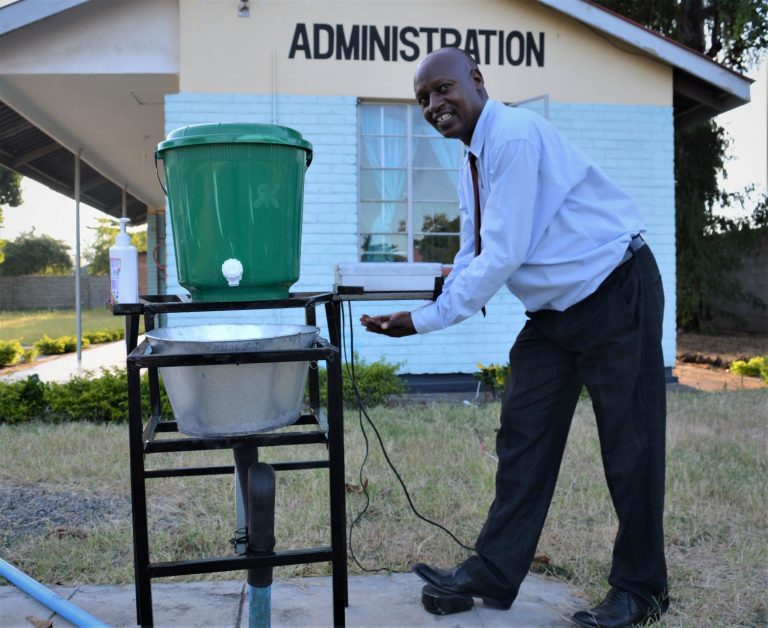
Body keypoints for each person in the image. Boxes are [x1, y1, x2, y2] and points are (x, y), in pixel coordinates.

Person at [360, 46, 669, 628]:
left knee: (631, 449)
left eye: (443, 89)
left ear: (476, 81)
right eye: (423, 98)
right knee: (523, 437)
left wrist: (425, 321)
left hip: (613, 290)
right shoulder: (471, 155)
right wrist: (434, 295)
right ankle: (495, 573)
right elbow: (475, 248)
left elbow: (503, 254)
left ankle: (641, 590)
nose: (433, 105)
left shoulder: (514, 138)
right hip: (555, 314)